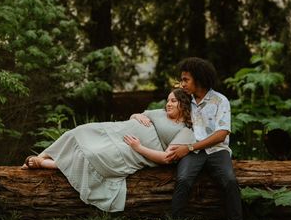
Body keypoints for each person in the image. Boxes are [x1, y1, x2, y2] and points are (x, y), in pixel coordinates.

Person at [21, 89, 195, 213]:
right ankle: (41, 155)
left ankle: (44, 164)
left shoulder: (186, 130)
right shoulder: (160, 112)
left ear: (184, 104)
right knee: (79, 131)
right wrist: (137, 116)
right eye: (168, 100)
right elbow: (136, 115)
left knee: (93, 156)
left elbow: (166, 158)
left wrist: (138, 147)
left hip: (133, 150)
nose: (168, 103)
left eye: (173, 101)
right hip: (116, 131)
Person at [165, 57, 243, 220]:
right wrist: (140, 115)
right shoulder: (185, 101)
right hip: (193, 153)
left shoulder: (220, 101)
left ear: (198, 79)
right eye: (181, 80)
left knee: (229, 181)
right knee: (183, 179)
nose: (182, 84)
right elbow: (164, 113)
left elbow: (221, 134)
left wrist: (189, 147)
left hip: (217, 150)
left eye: (186, 80)